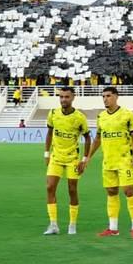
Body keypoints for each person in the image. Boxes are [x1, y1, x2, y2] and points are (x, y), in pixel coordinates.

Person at [87, 87, 133, 238]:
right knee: (111, 192)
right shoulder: (101, 116)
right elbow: (98, 138)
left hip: (125, 160)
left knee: (129, 191)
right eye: (103, 96)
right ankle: (113, 228)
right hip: (108, 161)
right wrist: (88, 157)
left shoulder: (127, 115)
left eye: (108, 96)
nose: (105, 99)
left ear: (116, 97)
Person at [42, 87, 91, 235]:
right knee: (50, 187)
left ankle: (72, 224)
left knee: (72, 190)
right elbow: (49, 133)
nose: (63, 99)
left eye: (66, 97)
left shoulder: (79, 117)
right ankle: (53, 225)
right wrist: (46, 153)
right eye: (61, 97)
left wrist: (84, 159)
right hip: (56, 157)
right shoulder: (53, 113)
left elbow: (87, 138)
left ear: (73, 98)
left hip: (72, 159)